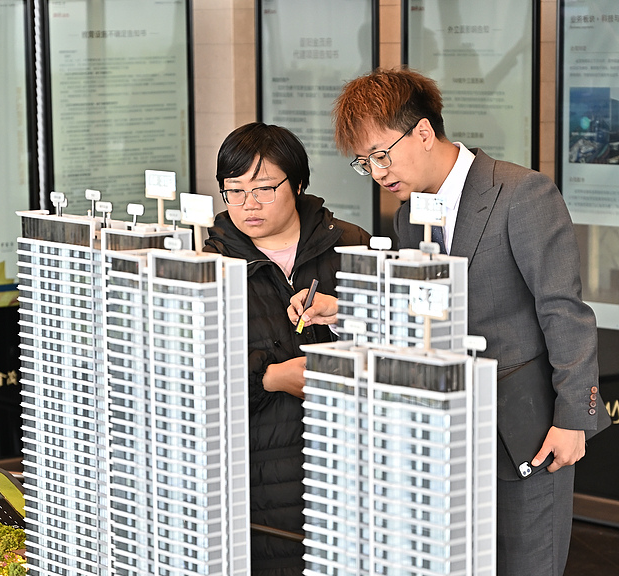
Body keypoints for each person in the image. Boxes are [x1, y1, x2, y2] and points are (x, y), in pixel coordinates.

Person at [331, 67, 604, 576]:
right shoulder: (409, 215)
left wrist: (573, 419)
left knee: (529, 564)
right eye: (365, 163)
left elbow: (563, 309)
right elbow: (423, 314)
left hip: (526, 429)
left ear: (423, 132)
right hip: (446, 434)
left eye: (382, 155)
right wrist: (349, 310)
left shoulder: (521, 193)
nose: (378, 172)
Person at [203, 123, 369, 575]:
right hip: (260, 475)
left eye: (263, 189)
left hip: (351, 460)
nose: (248, 204)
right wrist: (270, 377)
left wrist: (346, 314)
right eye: (234, 191)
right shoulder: (209, 265)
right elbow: (188, 378)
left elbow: (402, 342)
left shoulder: (351, 244)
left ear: (297, 184)